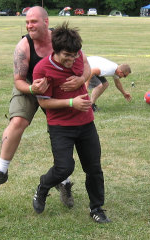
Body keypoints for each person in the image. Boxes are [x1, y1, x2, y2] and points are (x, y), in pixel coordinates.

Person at [0, 6, 91, 208]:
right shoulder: (23, 47)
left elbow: (85, 64)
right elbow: (18, 81)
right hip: (30, 87)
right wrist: (32, 88)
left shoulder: (61, 40)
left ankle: (63, 182)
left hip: (57, 89)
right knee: (18, 121)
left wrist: (80, 80)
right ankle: (1, 172)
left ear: (46, 22)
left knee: (62, 131)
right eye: (27, 22)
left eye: (33, 21)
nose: (29, 25)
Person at [32, 22, 110, 223]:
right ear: (56, 50)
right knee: (64, 168)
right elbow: (43, 102)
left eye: (75, 54)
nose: (72, 59)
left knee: (93, 168)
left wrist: (82, 78)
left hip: (86, 123)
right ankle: (43, 186)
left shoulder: (77, 54)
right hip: (60, 126)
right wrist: (71, 102)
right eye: (68, 55)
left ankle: (96, 208)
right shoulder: (43, 69)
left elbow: (86, 65)